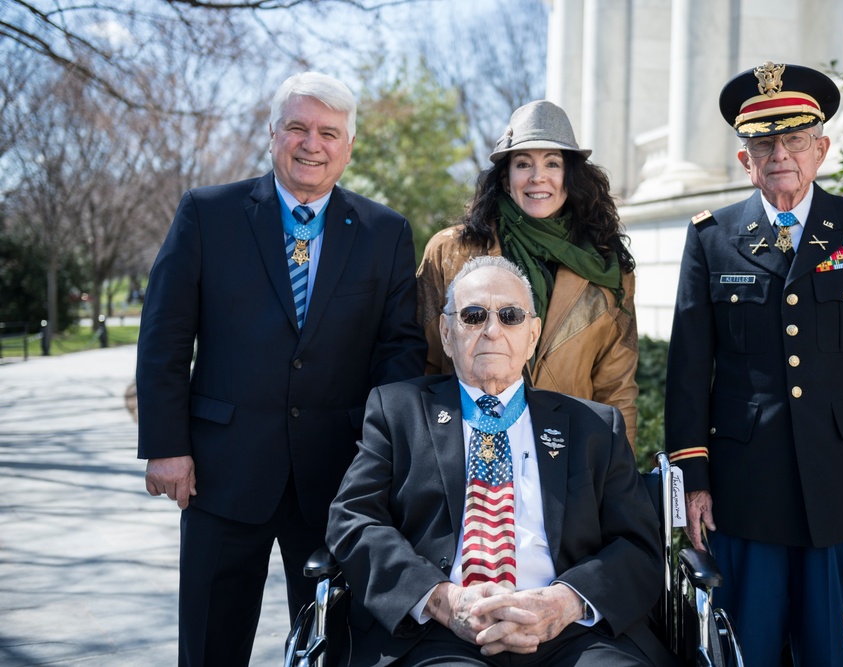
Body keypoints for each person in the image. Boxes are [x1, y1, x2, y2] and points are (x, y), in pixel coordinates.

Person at [136, 71, 427, 667]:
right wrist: (166, 445)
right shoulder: (207, 214)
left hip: (339, 477)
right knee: (212, 644)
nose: (311, 143)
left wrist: (388, 460)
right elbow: (164, 337)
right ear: (272, 134)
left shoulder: (385, 232)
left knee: (335, 645)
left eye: (328, 132)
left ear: (348, 146)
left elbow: (398, 352)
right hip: (220, 472)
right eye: (297, 127)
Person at [664, 61, 843, 666]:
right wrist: (691, 482)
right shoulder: (712, 237)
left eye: (795, 139)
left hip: (837, 484)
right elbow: (688, 370)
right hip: (741, 488)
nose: (780, 153)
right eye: (763, 142)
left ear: (821, 148)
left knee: (827, 650)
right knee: (745, 650)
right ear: (743, 159)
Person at [329, 256, 671, 667]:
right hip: (436, 632)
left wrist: (564, 602)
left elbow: (638, 545)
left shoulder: (594, 426)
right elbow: (353, 519)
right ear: (446, 332)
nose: (492, 330)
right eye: (473, 316)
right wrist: (443, 599)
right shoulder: (397, 410)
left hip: (571, 631)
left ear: (533, 334)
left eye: (510, 316)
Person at [417, 100, 641, 447]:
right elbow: (425, 364)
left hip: (569, 457)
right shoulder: (450, 252)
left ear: (570, 175)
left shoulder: (609, 268)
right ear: (505, 179)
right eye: (524, 164)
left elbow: (617, 388)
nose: (538, 177)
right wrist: (425, 454)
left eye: (552, 163)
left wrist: (617, 479)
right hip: (464, 448)